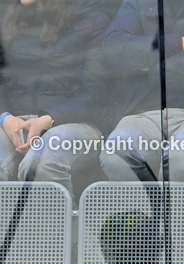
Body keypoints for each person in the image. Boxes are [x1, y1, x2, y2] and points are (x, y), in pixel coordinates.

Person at [99, 0, 184, 190]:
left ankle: (179, 220)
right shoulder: (138, 2)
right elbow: (113, 48)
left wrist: (151, 68)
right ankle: (143, 219)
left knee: (182, 161)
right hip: (141, 113)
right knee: (117, 155)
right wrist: (183, 43)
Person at [0, 0, 116, 196]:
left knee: (39, 165)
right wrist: (4, 116)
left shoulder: (89, 19)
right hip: (13, 120)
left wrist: (48, 118)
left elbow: (98, 94)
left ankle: (54, 224)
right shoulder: (7, 16)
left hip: (75, 123)